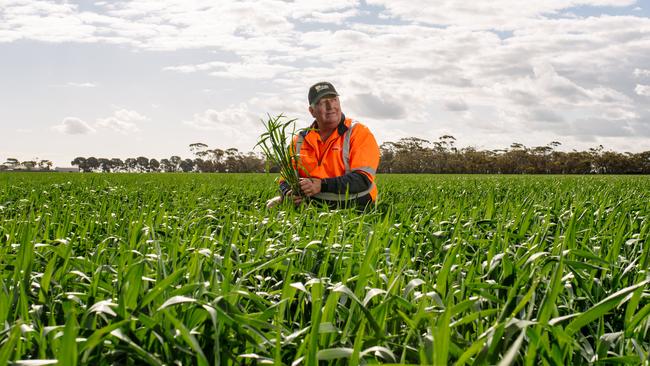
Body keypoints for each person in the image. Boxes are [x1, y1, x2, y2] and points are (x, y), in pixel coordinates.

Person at [267, 81, 380, 209]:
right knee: (271, 207)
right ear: (312, 111)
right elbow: (284, 179)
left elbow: (362, 180)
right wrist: (288, 193)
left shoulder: (359, 132)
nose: (330, 106)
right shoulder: (299, 140)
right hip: (312, 202)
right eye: (322, 102)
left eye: (333, 100)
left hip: (353, 203)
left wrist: (321, 185)